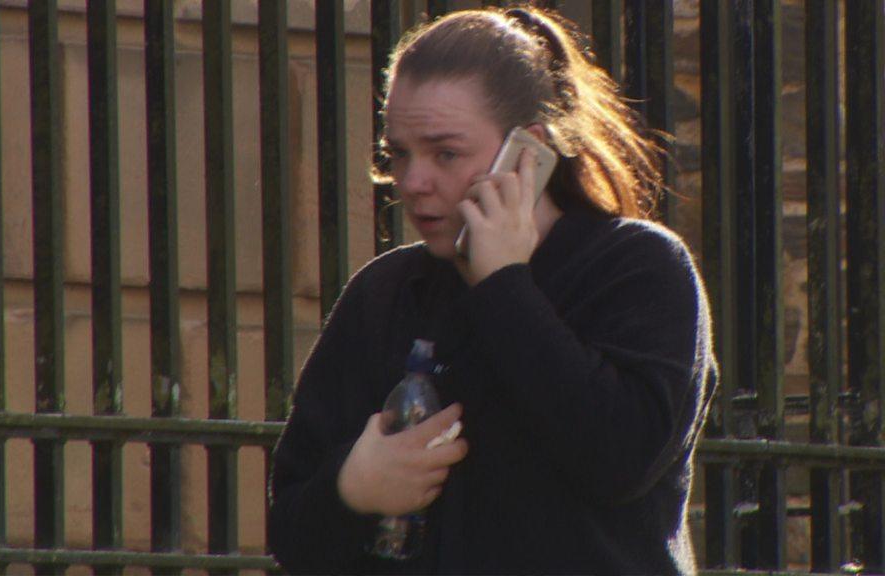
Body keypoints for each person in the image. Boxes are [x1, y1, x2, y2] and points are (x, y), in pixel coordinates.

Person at [268, 6, 717, 575]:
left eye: (446, 153)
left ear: (527, 153)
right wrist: (350, 490)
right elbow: (291, 532)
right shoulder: (385, 293)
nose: (412, 182)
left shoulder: (640, 267)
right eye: (398, 153)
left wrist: (505, 285)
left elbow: (620, 461)